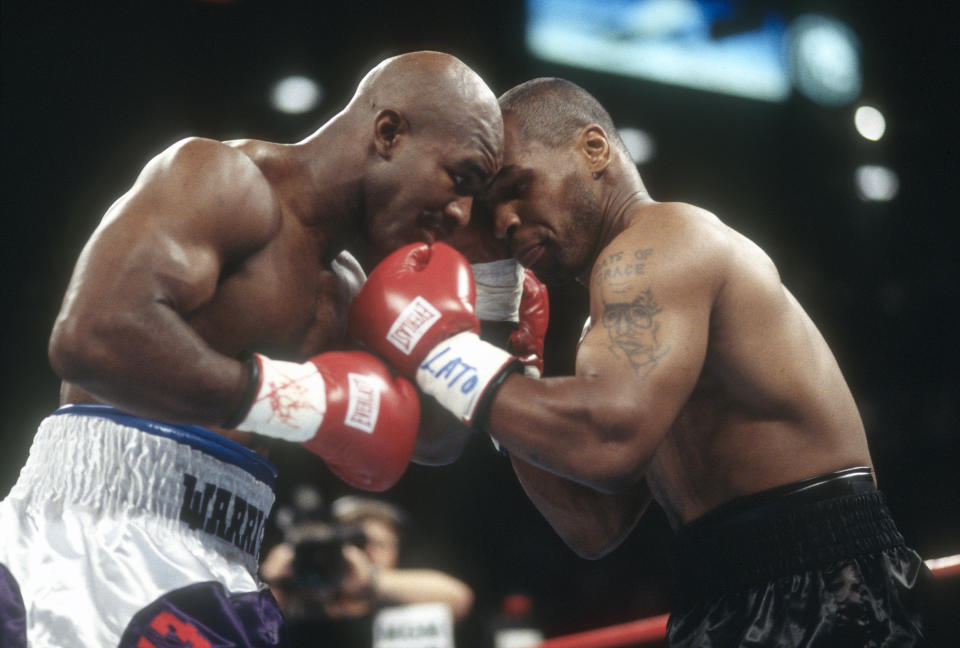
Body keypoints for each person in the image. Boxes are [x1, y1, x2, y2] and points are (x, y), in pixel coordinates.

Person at [345, 78, 937, 646]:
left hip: (827, 586)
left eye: (517, 186)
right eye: (491, 206)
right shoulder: (608, 319)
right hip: (722, 590)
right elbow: (592, 525)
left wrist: (441, 352)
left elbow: (608, 441)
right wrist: (508, 355)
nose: (503, 222)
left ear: (593, 148)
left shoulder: (667, 240)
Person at [0, 51, 502, 648]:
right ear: (389, 133)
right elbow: (91, 335)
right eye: (460, 178)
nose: (460, 212)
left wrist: (470, 333)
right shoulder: (218, 177)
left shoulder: (350, 291)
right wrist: (296, 399)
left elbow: (427, 442)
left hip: (226, 562)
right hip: (91, 541)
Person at [261, 494, 473, 626]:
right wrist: (272, 584)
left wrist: (371, 580)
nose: (368, 552)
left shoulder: (406, 599)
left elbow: (459, 599)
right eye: (359, 543)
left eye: (380, 544)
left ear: (396, 550)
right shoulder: (303, 590)